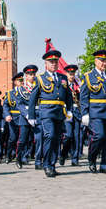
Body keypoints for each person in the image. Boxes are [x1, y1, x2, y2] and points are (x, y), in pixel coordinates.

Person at [28, 50, 73, 178]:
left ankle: (52, 165)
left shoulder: (63, 78)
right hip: (46, 112)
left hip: (59, 112)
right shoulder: (40, 78)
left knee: (57, 139)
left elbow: (68, 95)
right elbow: (33, 97)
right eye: (51, 62)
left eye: (55, 62)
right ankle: (46, 165)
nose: (53, 64)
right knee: (50, 136)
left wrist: (69, 110)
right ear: (46, 63)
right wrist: (31, 115)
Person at [80, 50, 106, 174]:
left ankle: (104, 165)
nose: (104, 63)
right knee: (99, 135)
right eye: (101, 60)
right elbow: (83, 96)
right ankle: (92, 158)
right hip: (95, 112)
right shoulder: (88, 76)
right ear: (95, 61)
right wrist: (85, 113)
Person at [15, 65, 38, 169]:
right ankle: (19, 158)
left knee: (38, 139)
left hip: (37, 116)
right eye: (30, 74)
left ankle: (38, 160)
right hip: (25, 117)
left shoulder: (39, 86)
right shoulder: (20, 89)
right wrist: (27, 114)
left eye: (33, 74)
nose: (32, 76)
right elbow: (19, 104)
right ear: (26, 76)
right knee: (22, 140)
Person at [60, 64, 82, 167]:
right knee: (68, 136)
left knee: (77, 136)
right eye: (70, 74)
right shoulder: (63, 85)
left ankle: (75, 159)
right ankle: (63, 154)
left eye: (73, 74)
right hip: (67, 112)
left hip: (77, 112)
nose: (71, 76)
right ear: (66, 74)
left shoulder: (78, 85)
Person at [3, 72, 24, 164]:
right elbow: (5, 105)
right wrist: (7, 114)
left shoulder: (26, 92)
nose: (22, 82)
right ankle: (8, 155)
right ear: (15, 82)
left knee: (23, 138)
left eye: (22, 80)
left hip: (23, 117)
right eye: (20, 80)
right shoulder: (10, 93)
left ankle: (22, 157)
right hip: (13, 118)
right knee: (13, 138)